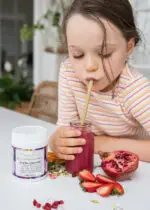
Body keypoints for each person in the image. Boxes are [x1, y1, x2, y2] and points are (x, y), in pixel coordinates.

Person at [49, 0, 150, 162]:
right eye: (77, 55)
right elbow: (65, 128)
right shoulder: (69, 72)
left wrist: (105, 143)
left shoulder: (135, 90)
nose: (89, 66)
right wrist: (57, 141)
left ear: (129, 47)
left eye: (104, 53)